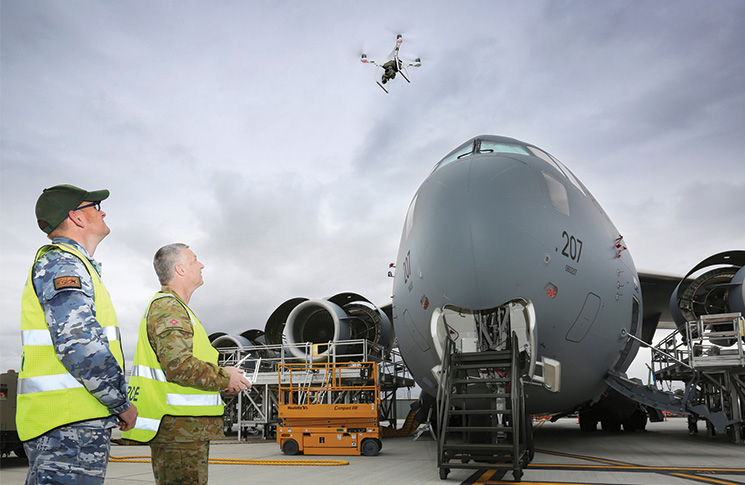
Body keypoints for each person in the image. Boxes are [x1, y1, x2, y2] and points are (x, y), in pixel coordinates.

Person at [18, 184, 138, 484]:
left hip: (69, 423)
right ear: (77, 217)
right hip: (68, 426)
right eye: (95, 206)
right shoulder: (63, 263)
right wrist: (121, 403)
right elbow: (80, 345)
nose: (103, 211)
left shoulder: (74, 265)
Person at [123, 243, 251, 484]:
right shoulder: (168, 307)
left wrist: (223, 382)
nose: (201, 265)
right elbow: (179, 365)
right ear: (180, 269)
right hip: (178, 431)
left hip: (184, 431)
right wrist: (226, 377)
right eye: (195, 260)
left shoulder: (177, 308)